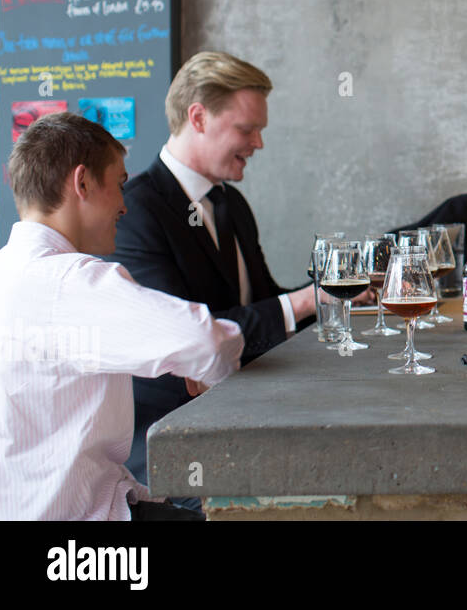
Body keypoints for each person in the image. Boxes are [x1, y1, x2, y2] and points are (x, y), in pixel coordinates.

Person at [0, 113, 243, 520]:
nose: (125, 206)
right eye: (120, 184)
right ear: (83, 183)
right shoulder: (74, 282)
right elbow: (208, 343)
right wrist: (210, 363)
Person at [107, 51, 315, 482]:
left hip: (246, 416)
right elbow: (189, 341)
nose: (258, 143)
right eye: (247, 129)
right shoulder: (136, 210)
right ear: (198, 117)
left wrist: (334, 296)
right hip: (171, 445)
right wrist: (308, 300)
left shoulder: (231, 203)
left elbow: (263, 306)